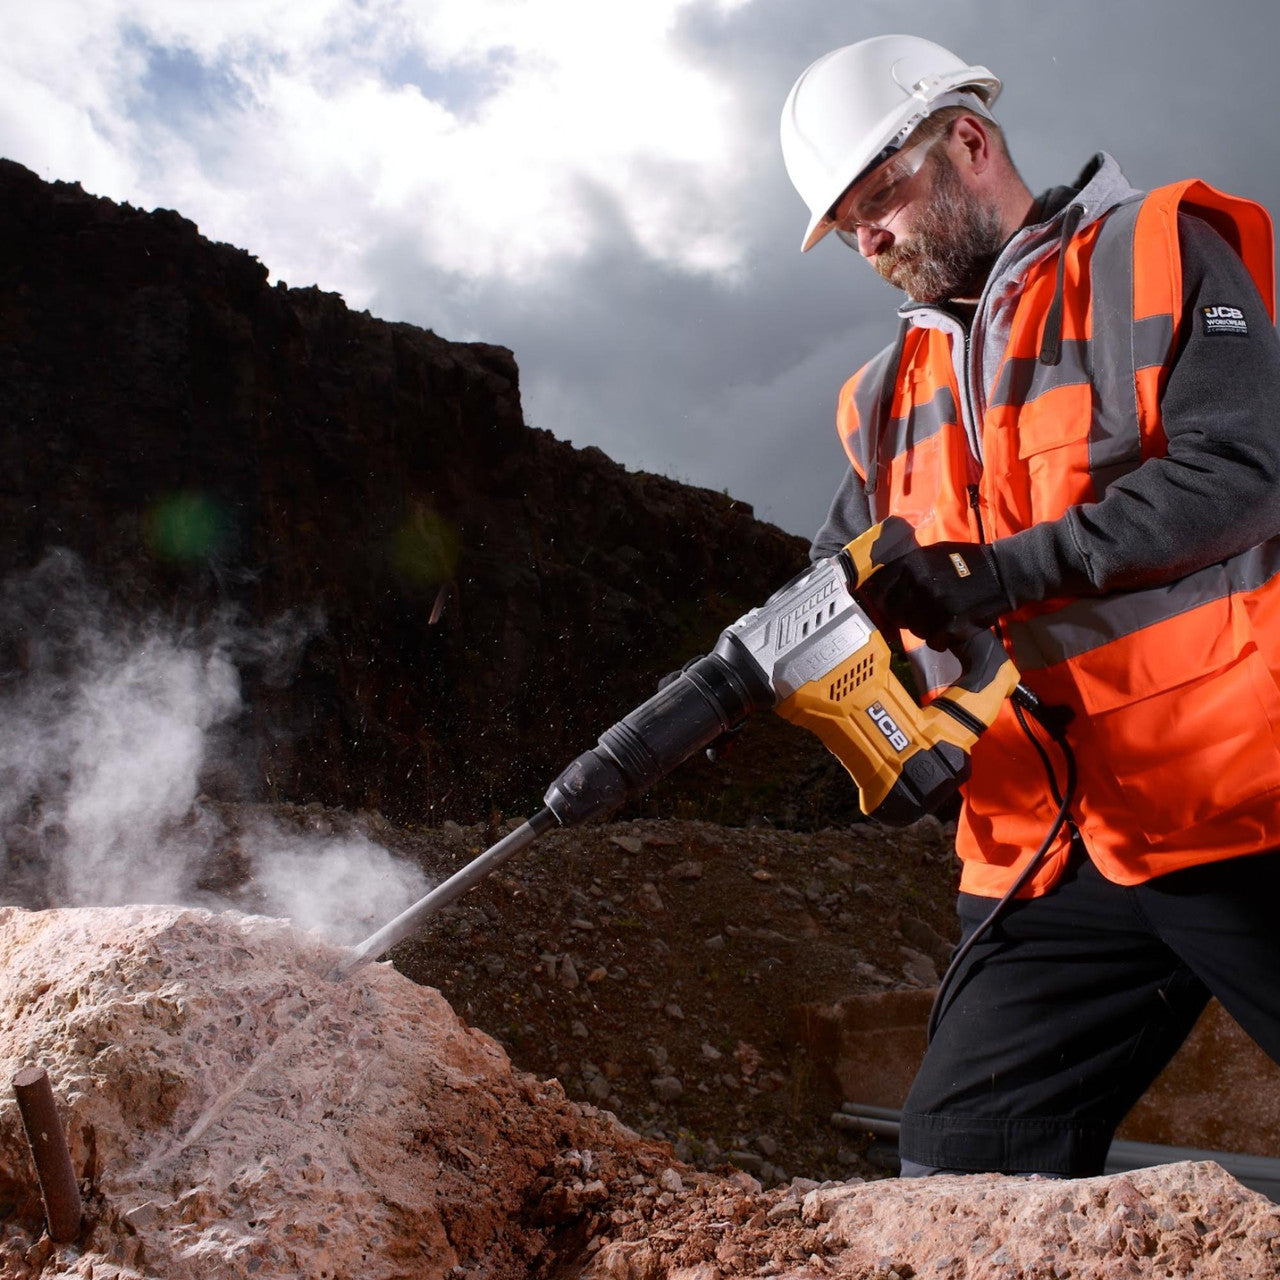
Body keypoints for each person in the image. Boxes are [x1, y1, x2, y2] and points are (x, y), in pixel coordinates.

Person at [780, 34, 1280, 1178]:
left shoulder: (1154, 253)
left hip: (1233, 800)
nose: (869, 237)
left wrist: (1001, 572)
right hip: (1040, 848)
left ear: (966, 139)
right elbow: (843, 574)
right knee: (959, 1174)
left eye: (880, 196)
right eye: (847, 225)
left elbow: (1240, 472)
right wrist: (835, 658)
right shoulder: (880, 394)